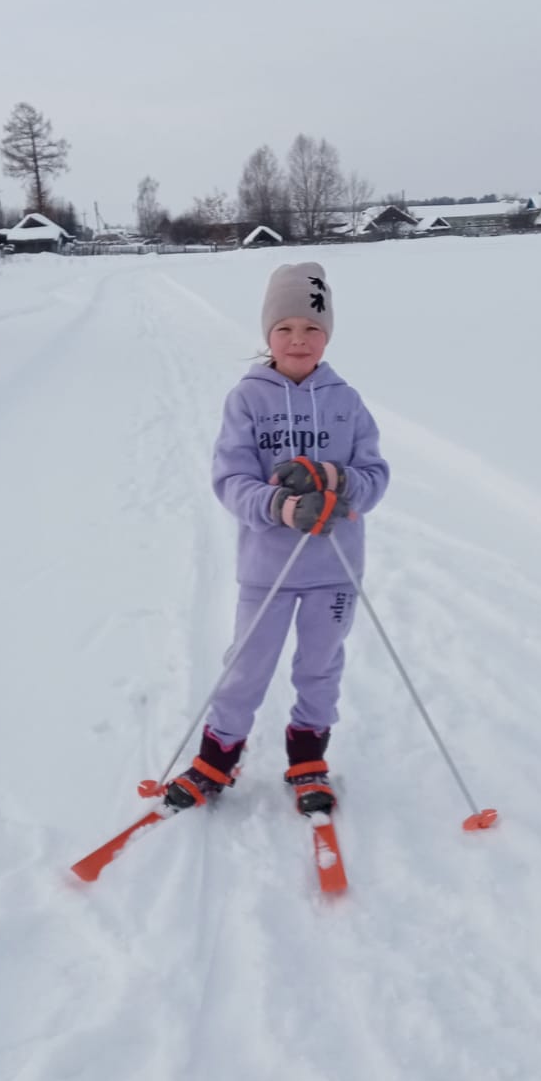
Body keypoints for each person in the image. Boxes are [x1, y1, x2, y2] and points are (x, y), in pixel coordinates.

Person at [166, 261, 390, 815]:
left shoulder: (347, 401)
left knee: (320, 665)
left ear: (327, 334)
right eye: (285, 328)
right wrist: (282, 506)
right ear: (268, 333)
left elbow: (375, 477)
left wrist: (335, 482)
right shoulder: (248, 399)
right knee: (248, 664)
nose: (298, 339)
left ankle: (308, 755)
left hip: (335, 567)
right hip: (268, 567)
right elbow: (229, 480)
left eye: (312, 328)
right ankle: (218, 757)